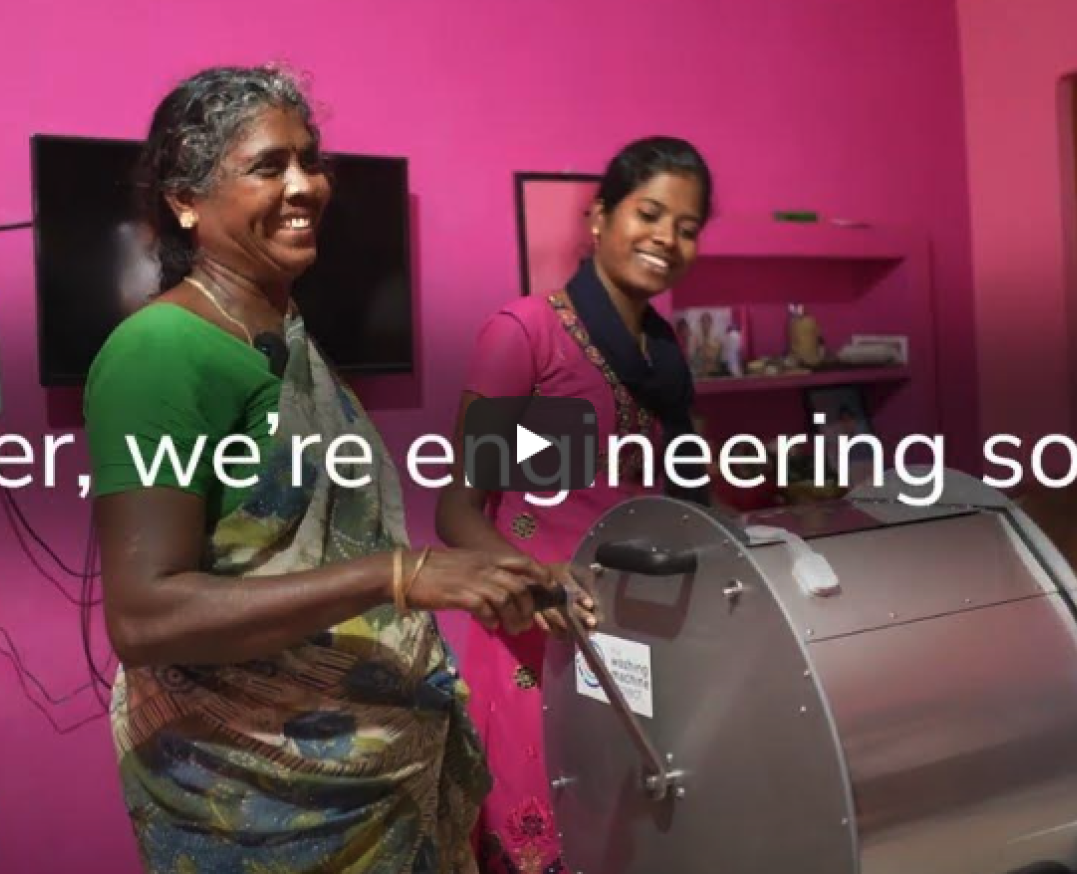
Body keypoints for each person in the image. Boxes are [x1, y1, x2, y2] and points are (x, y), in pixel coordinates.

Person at [83, 65, 556, 874]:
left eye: (312, 160)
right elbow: (144, 617)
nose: (306, 185)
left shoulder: (278, 331)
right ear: (185, 199)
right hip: (266, 807)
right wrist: (399, 575)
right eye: (269, 166)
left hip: (380, 780)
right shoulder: (160, 353)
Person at [435, 136, 713, 873]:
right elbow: (458, 511)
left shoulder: (665, 357)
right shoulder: (524, 334)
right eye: (649, 213)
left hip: (628, 642)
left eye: (687, 226)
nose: (667, 237)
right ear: (599, 217)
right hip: (533, 644)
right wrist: (539, 578)